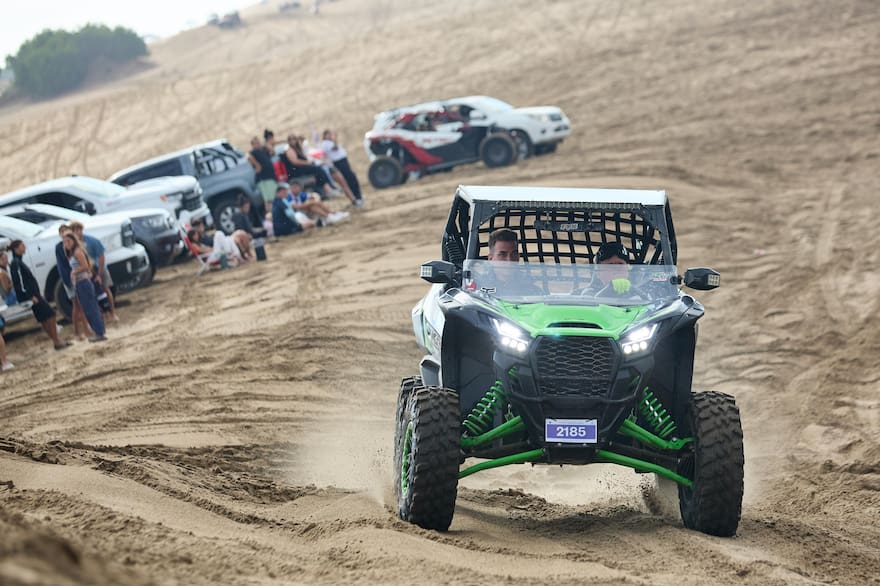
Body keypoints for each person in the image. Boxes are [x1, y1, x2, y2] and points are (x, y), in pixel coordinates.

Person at [7, 240, 70, 350]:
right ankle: (56, 340)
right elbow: (19, 283)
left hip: (34, 294)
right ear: (16, 249)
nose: (24, 247)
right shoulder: (16, 263)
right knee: (50, 314)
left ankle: (56, 340)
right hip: (31, 296)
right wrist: (30, 296)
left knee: (45, 317)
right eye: (22, 246)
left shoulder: (18, 261)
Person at [63, 232, 106, 342]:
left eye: (69, 241)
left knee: (91, 308)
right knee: (88, 309)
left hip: (83, 283)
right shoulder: (73, 253)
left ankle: (99, 332)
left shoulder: (77, 252)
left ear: (74, 241)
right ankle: (98, 331)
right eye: (65, 242)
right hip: (79, 283)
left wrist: (74, 271)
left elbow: (85, 266)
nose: (67, 244)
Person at [69, 221, 117, 322]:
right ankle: (102, 315)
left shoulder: (91, 241)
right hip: (88, 271)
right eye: (74, 230)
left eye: (78, 229)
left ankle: (112, 313)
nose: (76, 232)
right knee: (94, 293)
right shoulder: (74, 245)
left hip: (99, 267)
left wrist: (99, 273)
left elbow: (101, 257)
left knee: (106, 289)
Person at [55, 225, 92, 340]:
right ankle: (83, 330)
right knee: (78, 305)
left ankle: (80, 331)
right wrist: (68, 281)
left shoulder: (72, 245)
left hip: (76, 277)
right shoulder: (60, 247)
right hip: (71, 279)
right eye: (62, 232)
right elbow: (62, 266)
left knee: (78, 305)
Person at [484, 229, 542, 296]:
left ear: (518, 256)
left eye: (514, 254)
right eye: (502, 254)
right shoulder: (480, 285)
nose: (510, 260)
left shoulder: (531, 289)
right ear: (490, 259)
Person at [282, 134, 338, 200]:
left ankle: (328, 188)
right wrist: (307, 163)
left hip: (302, 168)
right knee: (318, 170)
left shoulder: (298, 149)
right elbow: (295, 161)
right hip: (297, 171)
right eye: (290, 139)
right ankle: (328, 189)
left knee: (319, 170)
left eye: (294, 139)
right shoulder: (290, 150)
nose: (292, 141)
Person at [321, 129, 364, 207]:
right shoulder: (325, 143)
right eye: (328, 134)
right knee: (349, 179)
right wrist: (334, 140)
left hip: (343, 161)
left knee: (351, 178)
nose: (330, 136)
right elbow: (334, 148)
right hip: (338, 162)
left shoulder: (330, 142)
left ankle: (358, 196)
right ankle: (356, 197)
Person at [285, 182, 349, 225]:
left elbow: (313, 196)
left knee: (313, 205)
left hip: (305, 212)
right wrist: (309, 202)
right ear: (290, 188)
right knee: (311, 204)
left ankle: (329, 215)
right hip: (296, 215)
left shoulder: (300, 194)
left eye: (297, 187)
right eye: (294, 187)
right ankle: (330, 215)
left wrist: (311, 201)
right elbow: (297, 207)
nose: (296, 189)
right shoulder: (289, 197)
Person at [248, 136, 277, 216]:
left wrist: (267, 145)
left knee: (274, 196)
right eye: (256, 143)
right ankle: (271, 215)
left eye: (258, 142)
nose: (258, 144)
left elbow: (273, 152)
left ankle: (274, 214)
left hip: (270, 177)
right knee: (268, 199)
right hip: (263, 179)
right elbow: (248, 156)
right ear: (252, 145)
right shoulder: (253, 153)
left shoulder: (263, 150)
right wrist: (256, 164)